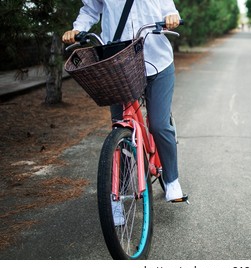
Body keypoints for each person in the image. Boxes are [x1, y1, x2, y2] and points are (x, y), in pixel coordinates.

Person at [62, 0, 185, 203]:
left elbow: (167, 7)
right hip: (119, 65)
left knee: (159, 124)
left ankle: (172, 180)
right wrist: (77, 29)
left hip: (158, 61)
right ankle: (118, 193)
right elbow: (91, 8)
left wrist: (171, 17)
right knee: (119, 131)